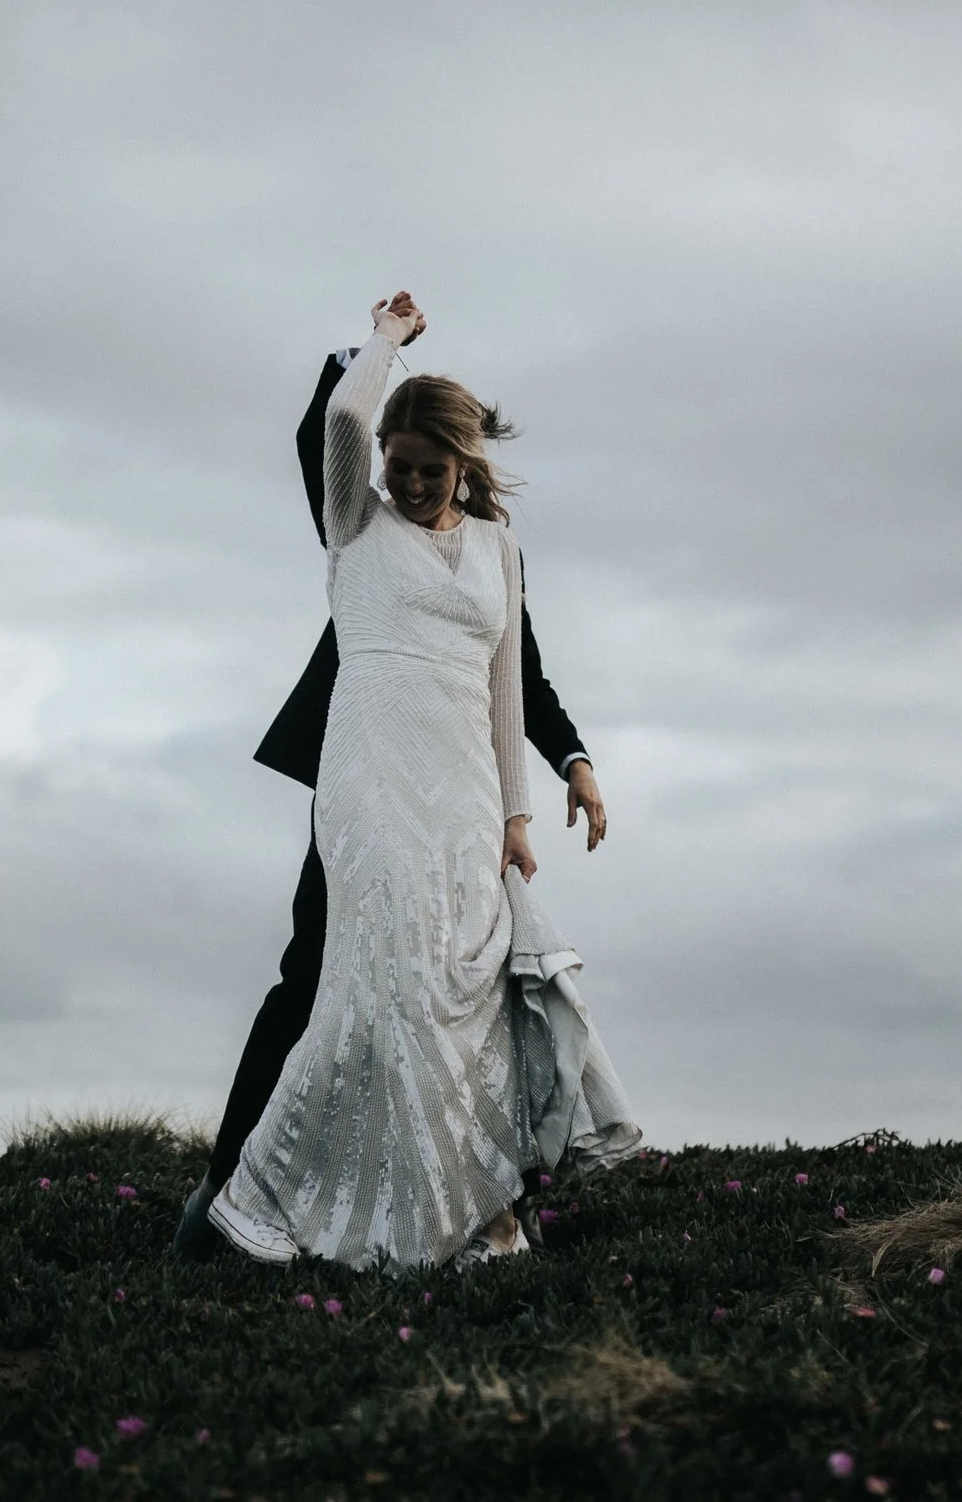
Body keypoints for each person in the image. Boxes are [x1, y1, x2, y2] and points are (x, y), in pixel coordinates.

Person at [186, 292, 641, 1270]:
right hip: (370, 774)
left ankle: (460, 1204)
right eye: (403, 465)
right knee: (354, 982)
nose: (416, 482)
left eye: (434, 470)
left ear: (465, 468)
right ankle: (250, 1195)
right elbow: (343, 420)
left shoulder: (499, 550)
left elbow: (511, 680)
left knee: (456, 992)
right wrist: (384, 343)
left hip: (467, 788)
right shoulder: (355, 520)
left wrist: (533, 801)